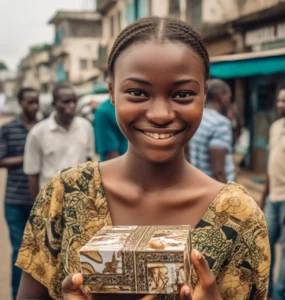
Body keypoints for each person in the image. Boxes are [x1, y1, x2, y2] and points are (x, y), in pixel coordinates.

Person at [16, 17, 270, 300]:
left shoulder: (239, 216)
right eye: (137, 93)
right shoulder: (65, 194)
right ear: (111, 92)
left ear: (204, 95)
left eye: (183, 94)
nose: (160, 115)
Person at [261, 87, 285, 300]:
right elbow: (271, 164)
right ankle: (268, 289)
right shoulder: (275, 127)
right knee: (265, 246)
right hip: (272, 197)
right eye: (278, 101)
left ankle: (279, 294)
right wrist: (264, 195)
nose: (280, 105)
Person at [23, 84, 95, 200]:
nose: (71, 105)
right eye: (66, 102)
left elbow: (90, 162)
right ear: (54, 104)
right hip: (51, 200)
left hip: (80, 199)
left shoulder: (86, 127)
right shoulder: (37, 133)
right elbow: (32, 174)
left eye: (73, 101)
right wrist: (38, 209)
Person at [0, 87, 39, 300]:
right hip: (15, 200)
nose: (33, 106)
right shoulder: (8, 129)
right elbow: (1, 159)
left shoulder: (44, 127)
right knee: (19, 252)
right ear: (20, 103)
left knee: (43, 253)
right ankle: (18, 295)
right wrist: (29, 157)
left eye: (36, 102)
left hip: (41, 200)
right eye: (29, 102)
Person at [189, 79, 235, 183]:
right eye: (229, 97)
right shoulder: (220, 123)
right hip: (216, 190)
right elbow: (218, 171)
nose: (229, 102)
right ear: (220, 97)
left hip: (200, 185)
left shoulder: (197, 119)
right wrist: (228, 196)